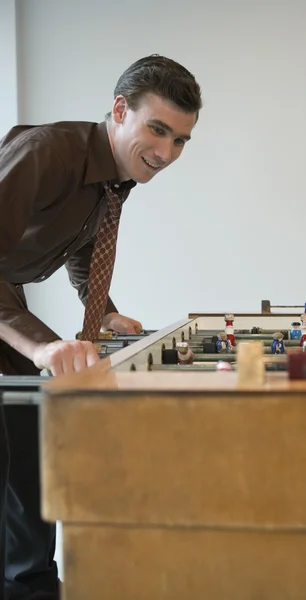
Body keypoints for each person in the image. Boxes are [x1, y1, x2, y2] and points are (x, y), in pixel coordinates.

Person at [0, 54, 202, 600]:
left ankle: (32, 585)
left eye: (181, 140)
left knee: (29, 438)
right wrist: (42, 346)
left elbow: (82, 250)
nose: (166, 153)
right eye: (157, 129)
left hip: (5, 299)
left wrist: (104, 309)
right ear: (120, 110)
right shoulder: (48, 152)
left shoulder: (113, 180)